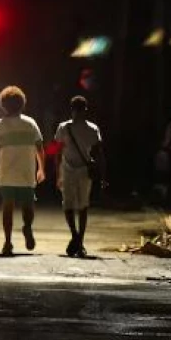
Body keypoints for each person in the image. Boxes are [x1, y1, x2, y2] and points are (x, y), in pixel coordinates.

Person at [0, 86, 46, 256]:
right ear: (22, 104)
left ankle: (7, 242)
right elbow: (40, 148)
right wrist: (41, 168)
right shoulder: (30, 124)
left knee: (7, 209)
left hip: (6, 174)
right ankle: (27, 227)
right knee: (28, 206)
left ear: (2, 105)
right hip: (26, 172)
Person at [54, 95, 105, 258]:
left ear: (72, 109)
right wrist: (103, 174)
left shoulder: (64, 127)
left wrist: (58, 173)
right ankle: (78, 240)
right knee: (82, 206)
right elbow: (99, 154)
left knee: (70, 205)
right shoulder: (92, 128)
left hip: (70, 169)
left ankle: (76, 238)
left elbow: (57, 152)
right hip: (81, 170)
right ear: (85, 110)